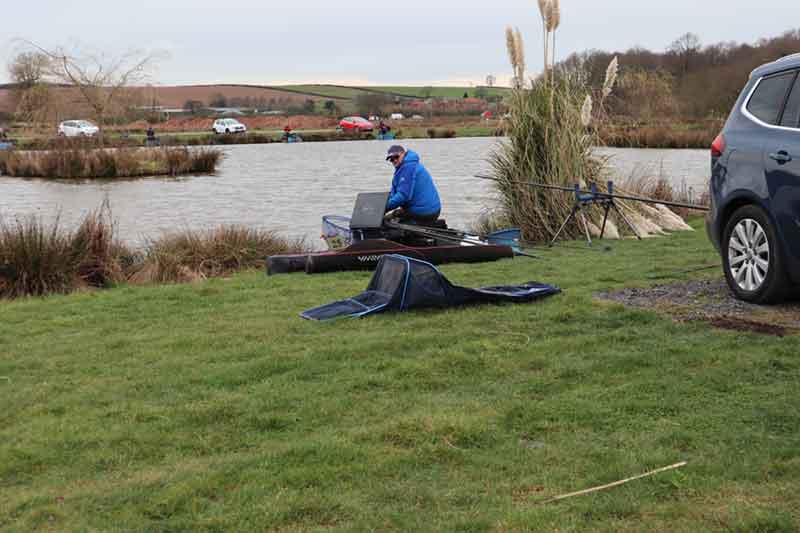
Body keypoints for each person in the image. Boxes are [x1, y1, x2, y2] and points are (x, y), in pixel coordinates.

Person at [384, 145, 441, 224]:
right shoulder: (405, 167)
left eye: (396, 157)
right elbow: (395, 193)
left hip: (425, 212)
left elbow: (403, 196)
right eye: (391, 159)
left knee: (387, 222)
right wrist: (383, 202)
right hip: (428, 209)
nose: (394, 160)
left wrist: (384, 208)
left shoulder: (408, 168)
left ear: (403, 154)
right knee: (390, 216)